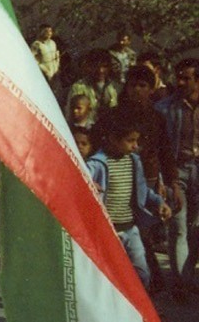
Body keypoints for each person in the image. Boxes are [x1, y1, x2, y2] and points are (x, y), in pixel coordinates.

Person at [87, 114, 171, 289]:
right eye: (130, 140)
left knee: (142, 274)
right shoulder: (97, 163)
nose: (135, 145)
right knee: (110, 277)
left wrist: (159, 203)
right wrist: (87, 184)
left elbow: (143, 191)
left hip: (130, 229)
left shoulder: (134, 161)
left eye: (136, 140)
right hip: (109, 231)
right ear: (112, 139)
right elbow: (77, 178)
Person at [157, 57, 199, 300]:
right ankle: (181, 284)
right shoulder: (165, 108)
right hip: (177, 171)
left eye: (186, 78)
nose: (180, 82)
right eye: (178, 77)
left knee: (195, 229)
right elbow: (162, 148)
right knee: (179, 228)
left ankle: (187, 276)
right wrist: (166, 179)